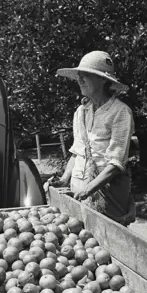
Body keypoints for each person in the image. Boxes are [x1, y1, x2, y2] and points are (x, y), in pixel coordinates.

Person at [45, 50, 136, 226]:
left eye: (86, 75)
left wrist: (89, 189)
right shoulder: (81, 112)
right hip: (78, 190)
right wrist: (64, 179)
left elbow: (116, 164)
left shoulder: (120, 112)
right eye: (79, 76)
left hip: (105, 194)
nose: (80, 80)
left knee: (105, 245)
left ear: (103, 79)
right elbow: (77, 152)